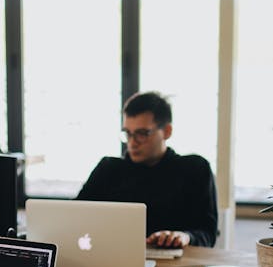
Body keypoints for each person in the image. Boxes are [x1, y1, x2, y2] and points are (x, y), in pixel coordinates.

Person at [77, 91, 218, 248]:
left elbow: (208, 234)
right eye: (128, 133)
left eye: (142, 134)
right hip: (113, 259)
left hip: (176, 265)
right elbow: (74, 217)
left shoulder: (195, 169)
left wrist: (185, 236)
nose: (132, 142)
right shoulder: (108, 169)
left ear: (167, 131)